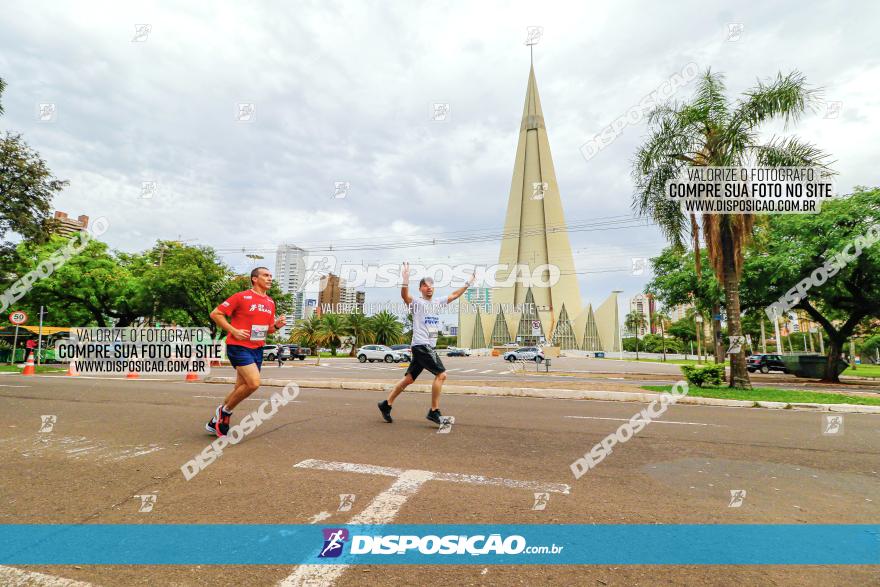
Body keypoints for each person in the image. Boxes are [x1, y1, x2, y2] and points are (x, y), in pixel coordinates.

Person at [378, 262, 474, 426]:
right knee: (441, 375)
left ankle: (386, 404)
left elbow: (454, 295)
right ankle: (434, 411)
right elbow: (404, 296)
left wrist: (467, 283)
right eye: (425, 286)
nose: (429, 288)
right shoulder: (417, 303)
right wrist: (405, 280)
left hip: (425, 347)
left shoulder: (437, 302)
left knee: (409, 379)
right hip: (421, 345)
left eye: (431, 286)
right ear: (421, 288)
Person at [205, 267, 286, 436]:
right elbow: (216, 313)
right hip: (238, 346)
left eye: (271, 276)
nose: (270, 278)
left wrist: (277, 326)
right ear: (255, 279)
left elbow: (267, 330)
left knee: (240, 387)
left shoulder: (270, 302)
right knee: (253, 383)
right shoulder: (241, 297)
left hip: (257, 348)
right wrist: (233, 330)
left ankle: (215, 422)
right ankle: (225, 412)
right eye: (266, 275)